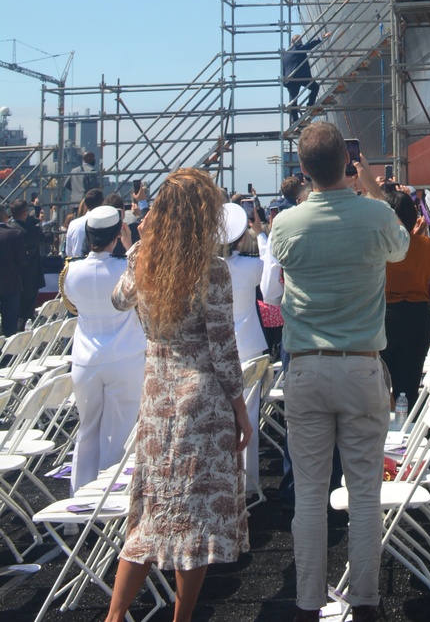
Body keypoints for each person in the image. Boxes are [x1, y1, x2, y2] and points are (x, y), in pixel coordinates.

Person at [265, 122, 409, 622]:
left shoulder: (285, 224)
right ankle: (366, 601)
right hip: (362, 367)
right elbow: (401, 248)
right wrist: (366, 182)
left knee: (309, 496)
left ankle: (308, 603)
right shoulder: (374, 215)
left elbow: (273, 290)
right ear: (345, 164)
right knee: (365, 494)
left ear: (303, 170)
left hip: (305, 368)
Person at [102, 169, 252, 622]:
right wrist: (241, 413)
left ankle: (114, 616)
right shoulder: (211, 271)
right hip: (200, 402)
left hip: (157, 397)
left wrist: (137, 248)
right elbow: (224, 351)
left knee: (151, 514)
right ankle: (181, 618)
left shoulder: (144, 262)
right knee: (196, 519)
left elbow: (118, 301)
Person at [61, 206, 146, 493]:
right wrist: (130, 244)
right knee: (119, 434)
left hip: (86, 359)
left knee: (86, 431)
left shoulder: (70, 270)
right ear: (117, 232)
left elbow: (72, 307)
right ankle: (110, 501)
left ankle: (78, 502)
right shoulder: (126, 269)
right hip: (125, 358)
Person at [220, 202, 267, 489]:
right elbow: (269, 266)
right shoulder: (251, 266)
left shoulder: (204, 269)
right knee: (248, 415)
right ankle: (248, 485)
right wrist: (259, 235)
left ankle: (224, 480)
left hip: (217, 349)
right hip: (248, 346)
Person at [383, 190, 430, 412]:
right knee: (409, 383)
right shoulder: (428, 246)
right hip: (418, 315)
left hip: (386, 316)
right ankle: (405, 429)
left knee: (380, 382)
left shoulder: (380, 245)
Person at [281, 31, 331, 127]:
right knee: (315, 87)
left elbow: (283, 69)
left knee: (293, 100)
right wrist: (321, 38)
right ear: (299, 42)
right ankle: (310, 105)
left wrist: (285, 80)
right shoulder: (298, 48)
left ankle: (295, 119)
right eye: (301, 41)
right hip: (300, 76)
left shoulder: (285, 55)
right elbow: (308, 46)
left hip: (289, 79)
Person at [10, 200, 43, 325]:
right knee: (27, 315)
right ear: (25, 213)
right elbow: (47, 238)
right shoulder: (31, 231)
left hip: (10, 280)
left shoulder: (8, 229)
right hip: (30, 278)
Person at [0, 205, 27, 337]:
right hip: (10, 285)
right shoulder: (15, 234)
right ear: (5, 216)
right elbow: (22, 261)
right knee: (10, 325)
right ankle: (8, 357)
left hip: (10, 285)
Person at [65, 188, 105, 259]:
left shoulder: (73, 224)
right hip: (99, 265)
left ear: (85, 205)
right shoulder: (105, 223)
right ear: (102, 203)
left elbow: (68, 252)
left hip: (76, 265)